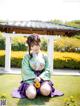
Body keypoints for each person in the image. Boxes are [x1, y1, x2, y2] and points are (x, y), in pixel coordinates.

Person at [12, 34, 64, 99]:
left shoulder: (44, 56)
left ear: (39, 44)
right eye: (32, 45)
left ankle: (40, 89)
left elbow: (48, 69)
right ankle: (32, 89)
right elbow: (25, 69)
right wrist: (34, 77)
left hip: (42, 79)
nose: (35, 47)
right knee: (31, 95)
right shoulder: (27, 56)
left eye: (37, 44)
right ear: (30, 46)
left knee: (46, 91)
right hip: (30, 79)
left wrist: (40, 78)